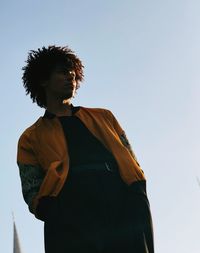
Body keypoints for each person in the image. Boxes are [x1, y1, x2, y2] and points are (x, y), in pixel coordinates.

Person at [17, 45, 154, 253]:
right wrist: (51, 211)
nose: (70, 77)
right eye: (62, 72)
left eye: (72, 74)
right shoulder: (30, 137)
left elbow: (129, 157)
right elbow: (31, 187)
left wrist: (136, 192)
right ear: (44, 80)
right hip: (69, 215)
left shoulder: (104, 117)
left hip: (122, 204)